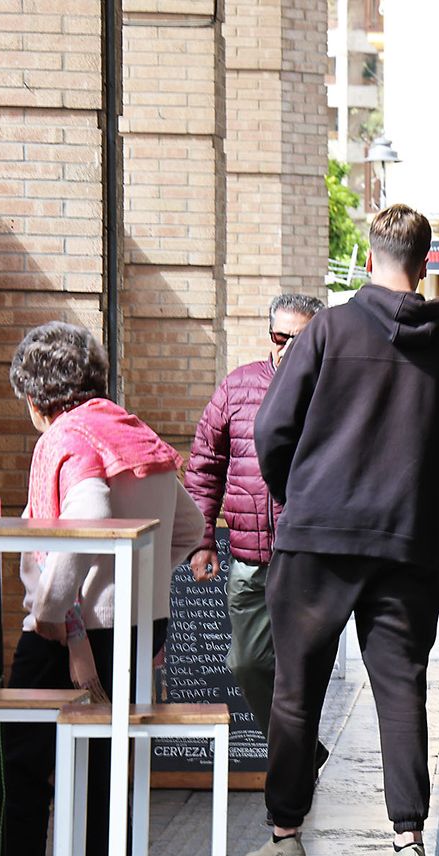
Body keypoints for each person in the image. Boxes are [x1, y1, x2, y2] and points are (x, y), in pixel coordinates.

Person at [242, 203, 439, 856]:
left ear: (367, 258)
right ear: (426, 263)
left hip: (318, 537)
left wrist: (301, 494)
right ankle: (409, 845)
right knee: (401, 690)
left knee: (297, 691)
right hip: (411, 542)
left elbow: (272, 430)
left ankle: (287, 836)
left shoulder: (325, 331)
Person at [0, 322, 204, 856]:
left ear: (34, 396)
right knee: (108, 778)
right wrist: (143, 588)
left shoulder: (68, 436)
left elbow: (84, 520)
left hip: (76, 633)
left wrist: (54, 614)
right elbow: (190, 524)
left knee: (22, 770)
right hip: (138, 626)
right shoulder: (130, 429)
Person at [185, 293, 329, 773]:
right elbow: (204, 466)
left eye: (300, 338)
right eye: (279, 336)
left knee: (300, 670)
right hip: (248, 555)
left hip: (308, 556)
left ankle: (290, 773)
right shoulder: (238, 387)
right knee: (247, 662)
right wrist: (203, 539)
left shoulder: (331, 390)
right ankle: (302, 753)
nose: (287, 347)